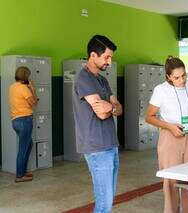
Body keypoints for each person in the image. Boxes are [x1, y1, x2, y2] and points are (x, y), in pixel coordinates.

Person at [145, 56, 188, 213]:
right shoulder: (161, 90)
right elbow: (149, 117)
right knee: (171, 180)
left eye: (184, 75)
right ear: (168, 77)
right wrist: (169, 126)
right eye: (177, 77)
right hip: (169, 137)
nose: (182, 80)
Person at [72, 34, 122, 213]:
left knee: (108, 198)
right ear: (93, 55)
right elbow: (101, 113)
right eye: (106, 57)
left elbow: (119, 108)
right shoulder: (83, 79)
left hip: (110, 145)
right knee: (104, 202)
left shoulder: (102, 80)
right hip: (97, 148)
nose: (109, 61)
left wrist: (111, 107)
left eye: (111, 57)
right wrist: (111, 107)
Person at [9, 66, 38, 183]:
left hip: (15, 121)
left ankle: (23, 171)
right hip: (24, 120)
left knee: (28, 145)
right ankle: (20, 175)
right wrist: (32, 89)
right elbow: (34, 103)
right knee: (23, 148)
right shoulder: (24, 88)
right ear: (26, 76)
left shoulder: (12, 87)